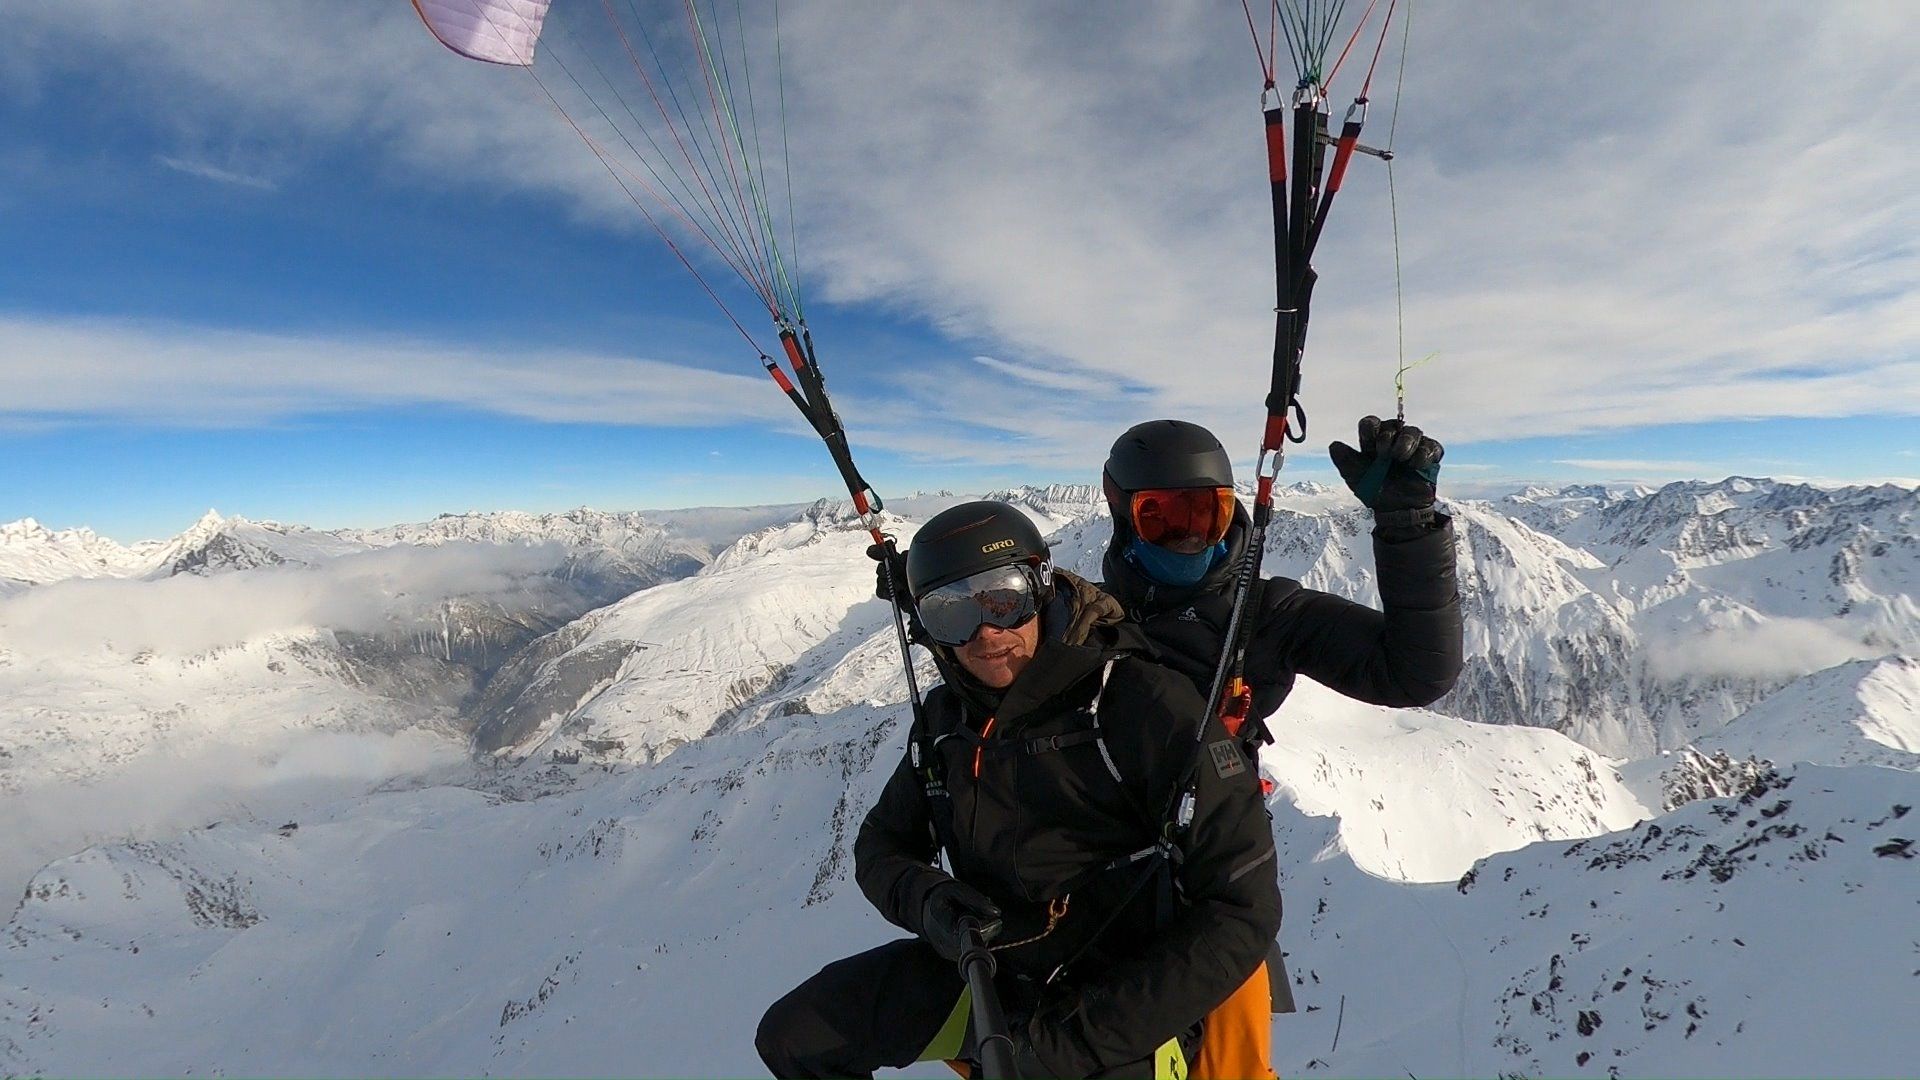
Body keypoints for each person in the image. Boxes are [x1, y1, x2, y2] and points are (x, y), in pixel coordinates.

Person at [757, 501, 1281, 1079]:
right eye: (951, 613)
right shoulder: (946, 722)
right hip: (988, 975)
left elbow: (1241, 909)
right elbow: (881, 846)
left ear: (1041, 587)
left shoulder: (1139, 706)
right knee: (795, 1038)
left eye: (1003, 598)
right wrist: (930, 903)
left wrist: (1062, 1047)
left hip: (1123, 1008)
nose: (986, 633)